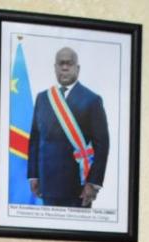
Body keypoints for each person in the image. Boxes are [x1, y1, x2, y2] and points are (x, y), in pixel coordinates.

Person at [27, 47, 109, 208]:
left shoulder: (92, 100)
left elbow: (102, 145)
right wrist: (33, 175)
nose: (65, 67)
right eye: (61, 63)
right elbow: (35, 139)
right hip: (47, 184)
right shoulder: (43, 98)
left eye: (69, 64)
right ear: (55, 67)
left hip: (78, 186)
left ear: (77, 68)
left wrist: (93, 183)